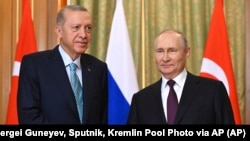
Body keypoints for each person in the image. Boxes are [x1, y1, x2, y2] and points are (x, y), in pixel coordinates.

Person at [17, 5, 108, 124]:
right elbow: (28, 116)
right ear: (59, 31)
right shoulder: (34, 64)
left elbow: (102, 117)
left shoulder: (98, 68)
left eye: (88, 28)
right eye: (76, 27)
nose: (84, 35)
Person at [127, 29, 235, 124]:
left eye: (172, 51)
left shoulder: (213, 91)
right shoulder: (141, 99)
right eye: (160, 51)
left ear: (187, 52)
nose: (165, 58)